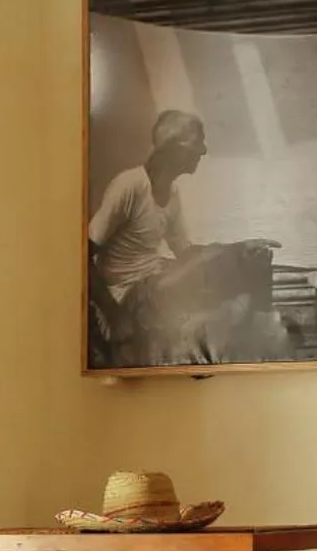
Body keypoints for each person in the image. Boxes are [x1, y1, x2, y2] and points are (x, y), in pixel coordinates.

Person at [87, 110, 279, 363]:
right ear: (177, 147)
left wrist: (241, 248)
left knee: (252, 258)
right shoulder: (129, 185)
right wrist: (113, 314)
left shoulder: (172, 193)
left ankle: (262, 331)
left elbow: (186, 253)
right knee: (224, 268)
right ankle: (257, 332)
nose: (204, 151)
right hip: (128, 295)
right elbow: (81, 254)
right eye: (199, 142)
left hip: (156, 283)